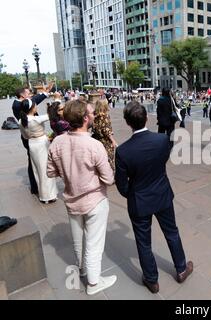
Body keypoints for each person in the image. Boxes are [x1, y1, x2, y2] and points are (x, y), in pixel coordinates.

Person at [115, 101, 193, 294]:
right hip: (162, 194)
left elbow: (121, 185)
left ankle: (152, 280)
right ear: (146, 118)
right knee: (171, 232)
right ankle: (181, 269)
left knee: (143, 241)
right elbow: (163, 160)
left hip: (139, 199)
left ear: (127, 123)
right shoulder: (161, 140)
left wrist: (132, 192)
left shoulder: (123, 151)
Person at [47, 99, 116, 295]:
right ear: (85, 118)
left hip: (71, 199)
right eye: (92, 113)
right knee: (94, 243)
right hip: (95, 200)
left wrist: (70, 173)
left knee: (78, 240)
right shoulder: (94, 145)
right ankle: (94, 283)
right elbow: (109, 178)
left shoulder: (57, 142)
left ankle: (84, 270)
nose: (95, 115)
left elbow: (51, 172)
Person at [12, 84, 53, 195]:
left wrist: (45, 92)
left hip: (32, 135)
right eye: (28, 93)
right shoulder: (18, 105)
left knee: (35, 162)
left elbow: (32, 101)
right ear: (22, 95)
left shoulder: (21, 104)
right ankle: (36, 186)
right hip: (30, 137)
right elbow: (32, 102)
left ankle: (38, 186)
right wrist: (45, 94)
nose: (30, 95)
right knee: (34, 162)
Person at [18, 99, 58, 204]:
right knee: (46, 169)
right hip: (41, 143)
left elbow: (25, 136)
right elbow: (52, 115)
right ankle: (49, 196)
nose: (36, 107)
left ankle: (43, 194)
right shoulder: (36, 119)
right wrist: (56, 101)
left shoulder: (21, 121)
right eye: (35, 105)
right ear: (32, 108)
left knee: (37, 170)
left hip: (32, 143)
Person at [92, 99, 118, 171]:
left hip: (96, 139)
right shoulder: (105, 116)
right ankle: (110, 175)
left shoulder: (94, 115)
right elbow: (106, 130)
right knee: (108, 158)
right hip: (105, 141)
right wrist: (113, 141)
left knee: (99, 159)